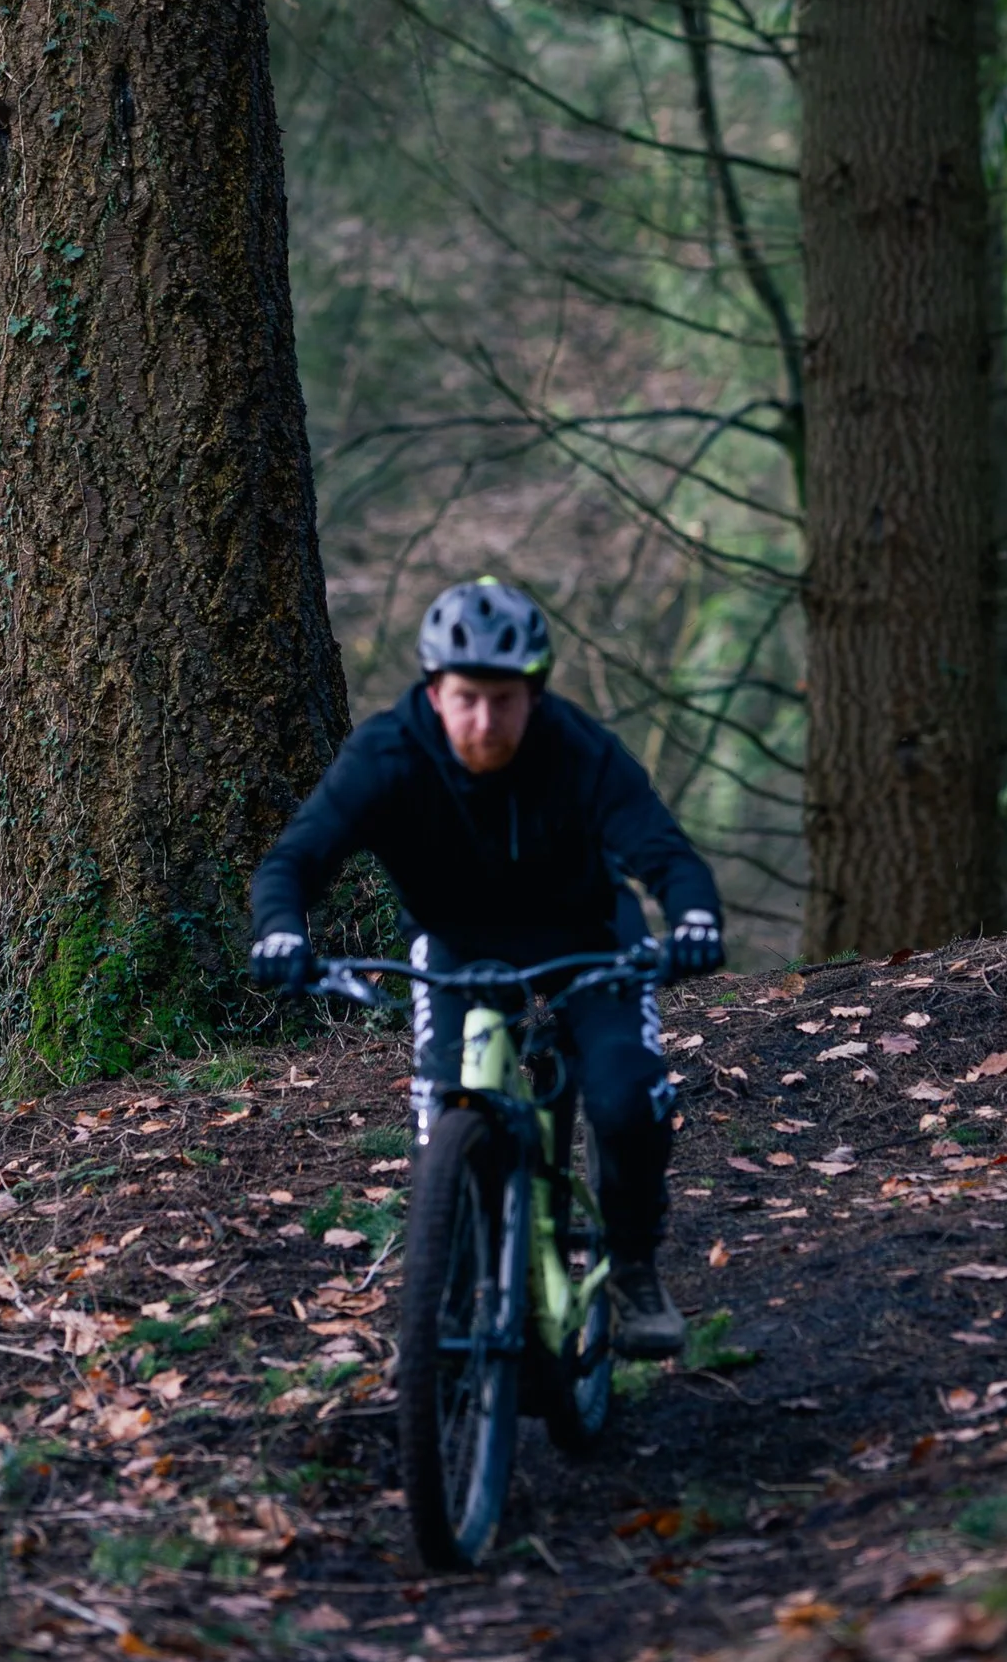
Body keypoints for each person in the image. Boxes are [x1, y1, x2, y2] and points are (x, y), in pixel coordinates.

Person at [248, 577, 724, 1359]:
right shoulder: (388, 751)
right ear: (435, 691)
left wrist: (696, 920)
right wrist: (278, 931)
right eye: (467, 697)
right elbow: (297, 858)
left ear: (532, 695)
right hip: (457, 943)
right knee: (443, 1121)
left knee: (623, 1098)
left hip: (588, 935)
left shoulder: (576, 748)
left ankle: (633, 1268)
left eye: (504, 699)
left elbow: (662, 851)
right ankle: (458, 1282)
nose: (484, 719)